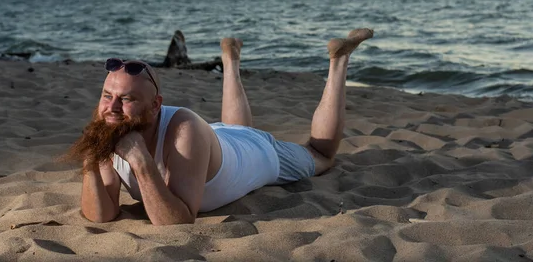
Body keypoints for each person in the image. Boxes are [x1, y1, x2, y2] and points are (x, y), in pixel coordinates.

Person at [74, 28, 373, 225]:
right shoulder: (112, 124)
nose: (111, 107)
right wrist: (91, 158)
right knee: (233, 129)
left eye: (125, 99)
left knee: (321, 153)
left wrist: (140, 161)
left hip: (253, 153)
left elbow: (177, 222)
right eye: (107, 95)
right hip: (218, 141)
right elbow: (101, 215)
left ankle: (339, 61)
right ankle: (229, 60)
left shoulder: (184, 128)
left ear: (155, 105)